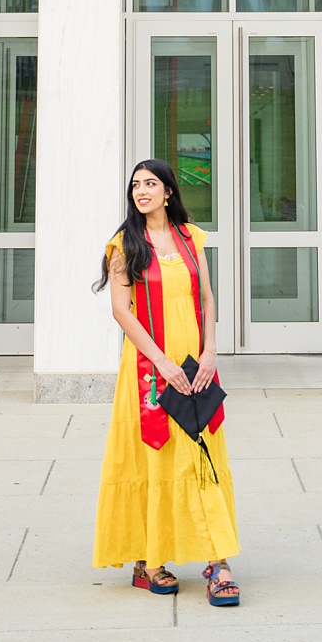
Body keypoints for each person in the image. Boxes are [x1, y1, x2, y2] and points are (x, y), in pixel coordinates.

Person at [90, 158, 241, 606]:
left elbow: (207, 297)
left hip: (196, 366)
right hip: (148, 370)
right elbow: (122, 311)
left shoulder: (191, 238)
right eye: (135, 185)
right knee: (153, 461)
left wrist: (211, 352)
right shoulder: (124, 245)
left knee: (203, 456)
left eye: (151, 183)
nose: (141, 191)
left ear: (169, 191)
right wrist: (161, 363)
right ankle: (149, 560)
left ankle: (217, 561)